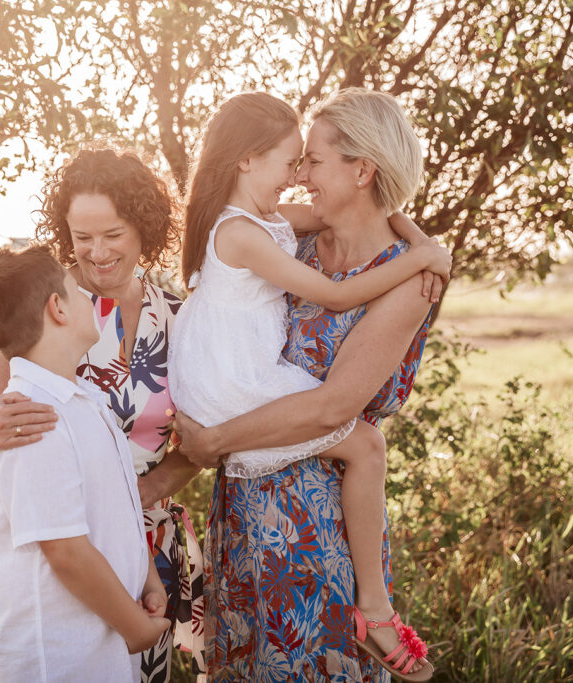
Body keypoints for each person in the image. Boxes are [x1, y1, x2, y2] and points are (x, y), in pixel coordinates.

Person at [172, 89, 444, 682]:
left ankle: (373, 612)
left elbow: (334, 407)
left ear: (362, 169)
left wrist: (212, 440)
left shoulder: (405, 283)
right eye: (297, 162)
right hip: (244, 505)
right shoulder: (291, 243)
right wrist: (430, 247)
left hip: (316, 529)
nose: (301, 177)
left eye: (313, 162)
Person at [0, 148, 205, 682]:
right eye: (81, 237)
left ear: (143, 227)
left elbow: (205, 441)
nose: (95, 254)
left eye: (112, 234)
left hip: (145, 553)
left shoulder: (182, 320)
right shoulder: (39, 308)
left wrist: (144, 489)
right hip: (66, 547)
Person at [0, 245, 170, 682]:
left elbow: (115, 507)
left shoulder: (84, 400)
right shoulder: (29, 417)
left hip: (103, 647)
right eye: (77, 292)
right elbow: (65, 551)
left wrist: (147, 577)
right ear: (57, 307)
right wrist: (135, 628)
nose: (90, 299)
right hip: (60, 658)